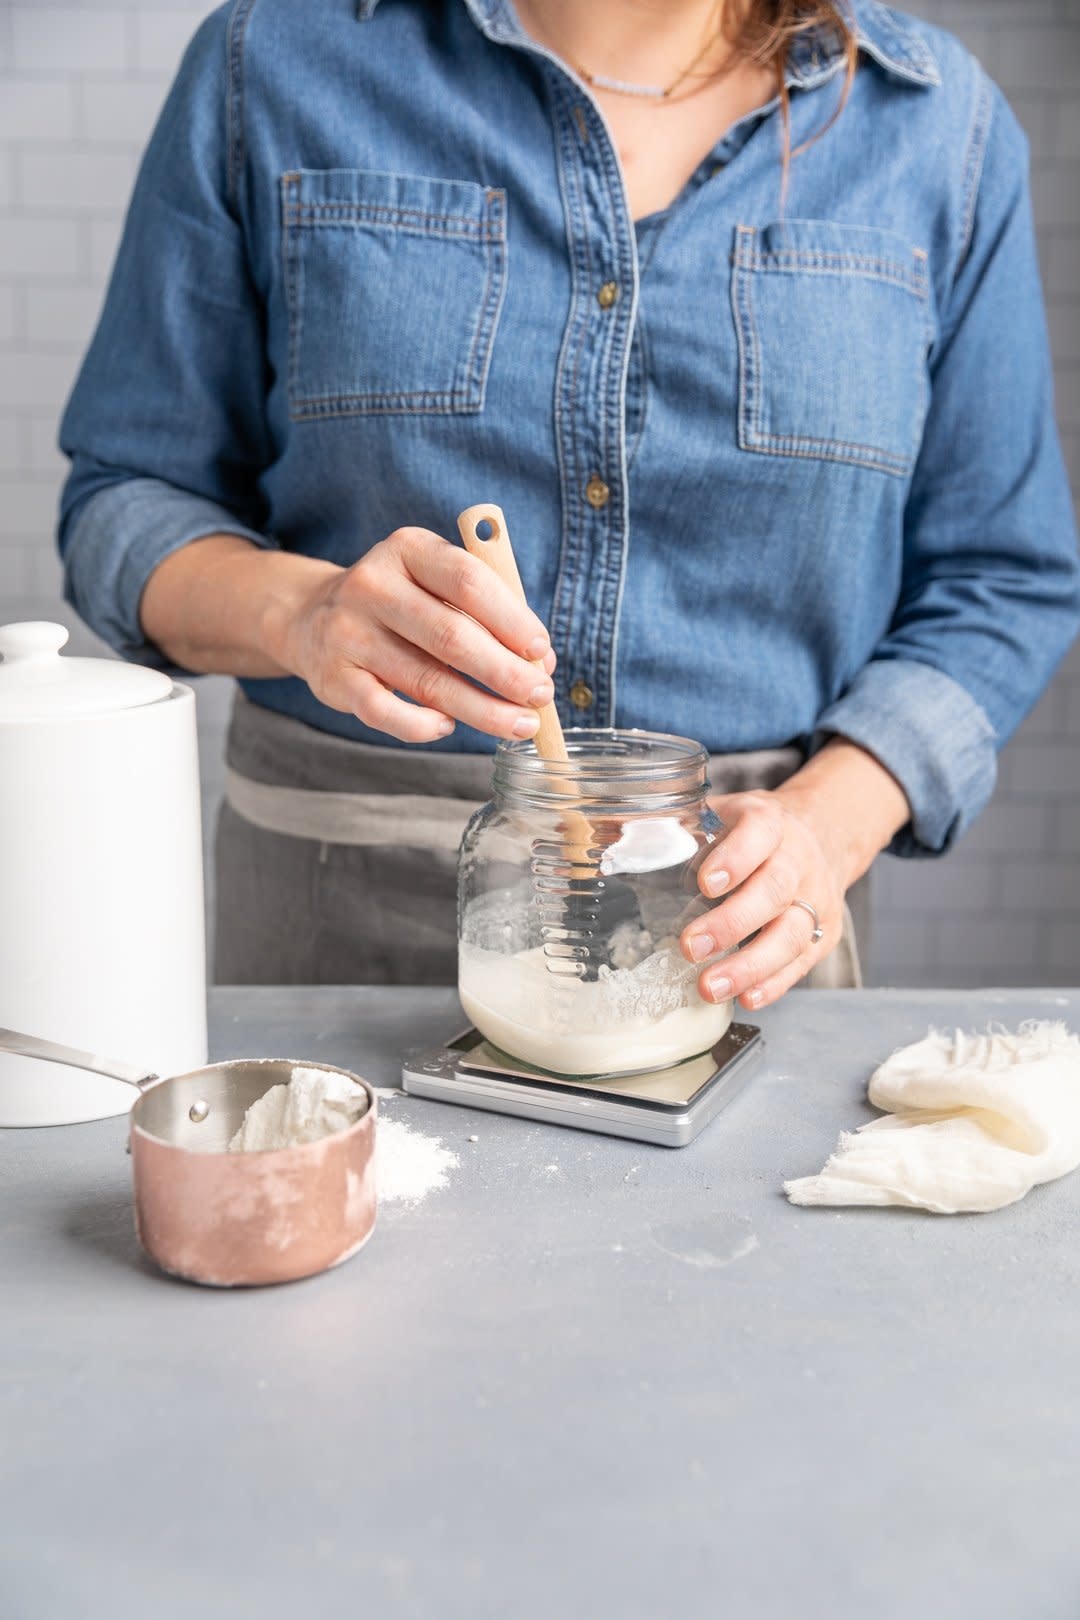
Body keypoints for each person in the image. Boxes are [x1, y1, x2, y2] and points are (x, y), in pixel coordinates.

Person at [58, 0, 1079, 1006]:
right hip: (339, 914)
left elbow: (1004, 578)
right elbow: (128, 498)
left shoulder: (940, 128)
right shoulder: (269, 61)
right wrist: (305, 613)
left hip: (735, 925)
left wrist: (829, 819)